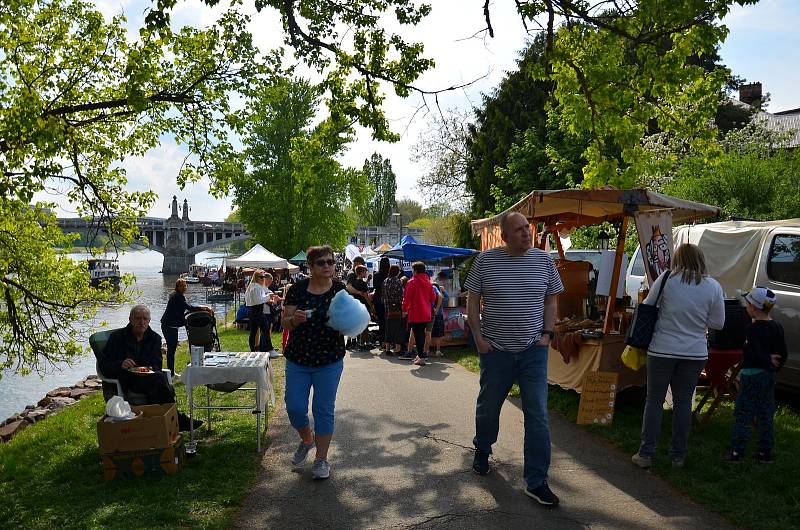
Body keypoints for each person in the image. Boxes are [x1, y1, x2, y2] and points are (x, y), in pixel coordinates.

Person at [465, 211, 564, 506]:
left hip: (534, 349)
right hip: (496, 351)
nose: (526, 233)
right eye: (519, 230)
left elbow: (551, 298)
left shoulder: (544, 260)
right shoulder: (485, 261)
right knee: (488, 407)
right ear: (504, 237)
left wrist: (547, 334)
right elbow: (472, 301)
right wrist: (479, 339)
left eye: (527, 228)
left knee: (538, 414)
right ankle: (483, 449)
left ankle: (536, 480)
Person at [632, 243, 725, 470]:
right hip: (694, 352)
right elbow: (718, 323)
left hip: (662, 349)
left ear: (677, 259)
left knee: (654, 401)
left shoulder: (666, 280)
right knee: (683, 403)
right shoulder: (713, 286)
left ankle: (646, 453)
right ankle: (678, 456)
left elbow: (647, 306)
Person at [281, 245, 347, 480]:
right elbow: (285, 322)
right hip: (299, 359)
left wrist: (345, 324)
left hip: (329, 360)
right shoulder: (297, 290)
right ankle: (306, 440)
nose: (328, 266)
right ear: (310, 267)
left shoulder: (340, 290)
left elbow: (351, 321)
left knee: (323, 410)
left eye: (331, 262)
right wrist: (294, 319)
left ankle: (321, 460)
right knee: (295, 407)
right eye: (322, 263)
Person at [101, 305, 201, 431]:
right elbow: (104, 366)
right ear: (130, 319)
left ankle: (159, 425)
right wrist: (120, 364)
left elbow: (157, 366)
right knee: (159, 379)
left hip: (148, 378)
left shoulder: (154, 338)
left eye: (145, 319)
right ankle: (176, 419)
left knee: (156, 384)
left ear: (149, 321)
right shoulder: (117, 338)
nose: (141, 322)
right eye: (137, 318)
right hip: (126, 379)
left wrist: (147, 368)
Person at [725, 287, 788, 463]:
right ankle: (764, 452)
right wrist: (773, 366)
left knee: (744, 413)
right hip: (768, 377)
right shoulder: (777, 327)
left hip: (751, 376)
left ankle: (737, 451)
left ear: (752, 307)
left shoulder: (752, 330)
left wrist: (765, 359)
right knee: (765, 413)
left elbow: (752, 353)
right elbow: (783, 353)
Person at [160, 278, 212, 375]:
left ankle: (171, 372)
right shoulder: (177, 297)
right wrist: (204, 308)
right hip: (169, 326)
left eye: (185, 286)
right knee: (171, 349)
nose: (184, 288)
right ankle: (170, 373)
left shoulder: (179, 296)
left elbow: (185, 308)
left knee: (172, 349)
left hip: (171, 326)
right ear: (177, 287)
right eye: (181, 286)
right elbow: (189, 308)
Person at [402, 261, 436, 366]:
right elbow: (433, 297)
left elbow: (407, 298)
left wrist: (404, 309)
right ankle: (421, 355)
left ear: (416, 271)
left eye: (413, 270)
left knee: (418, 335)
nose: (412, 272)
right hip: (426, 313)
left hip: (415, 313)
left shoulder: (411, 282)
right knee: (422, 334)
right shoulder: (429, 283)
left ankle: (421, 357)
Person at [245, 270, 272, 353]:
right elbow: (259, 300)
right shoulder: (256, 287)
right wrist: (269, 296)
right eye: (261, 277)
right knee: (266, 329)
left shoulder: (251, 286)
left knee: (253, 331)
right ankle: (269, 349)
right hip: (257, 310)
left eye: (263, 277)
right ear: (256, 277)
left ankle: (253, 350)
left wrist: (267, 295)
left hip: (251, 310)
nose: (263, 278)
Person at [382, 264, 404, 354]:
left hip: (387, 308)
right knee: (398, 328)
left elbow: (383, 295)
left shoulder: (385, 281)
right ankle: (398, 349)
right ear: (396, 272)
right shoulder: (398, 281)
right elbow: (400, 295)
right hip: (397, 308)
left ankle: (387, 349)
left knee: (388, 328)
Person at [372, 257, 390, 352]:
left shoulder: (376, 275)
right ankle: (389, 342)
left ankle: (382, 341)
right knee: (389, 322)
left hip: (378, 299)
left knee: (381, 322)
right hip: (388, 300)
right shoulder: (389, 275)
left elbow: (375, 286)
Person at [430, 282, 448, 356]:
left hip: (430, 315)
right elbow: (447, 298)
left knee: (429, 333)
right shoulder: (442, 298)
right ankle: (438, 350)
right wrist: (443, 290)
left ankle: (427, 350)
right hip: (439, 316)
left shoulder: (430, 297)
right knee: (438, 334)